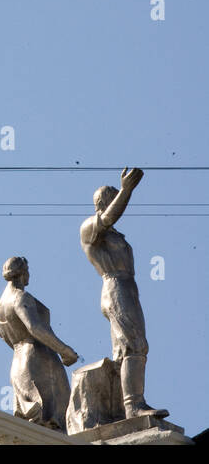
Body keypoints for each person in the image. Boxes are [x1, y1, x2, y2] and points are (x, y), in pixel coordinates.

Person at [80, 166, 168, 420]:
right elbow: (109, 218)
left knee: (132, 346)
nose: (118, 202)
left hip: (127, 287)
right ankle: (133, 405)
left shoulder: (114, 234)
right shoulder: (90, 228)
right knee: (133, 345)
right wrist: (127, 191)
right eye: (113, 197)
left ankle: (128, 403)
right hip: (115, 286)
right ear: (102, 203)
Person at [0, 256, 78, 430]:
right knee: (53, 421)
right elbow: (35, 328)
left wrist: (17, 342)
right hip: (38, 359)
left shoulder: (1, 304)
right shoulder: (20, 297)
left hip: (18, 363)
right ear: (23, 273)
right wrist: (64, 350)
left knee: (35, 422)